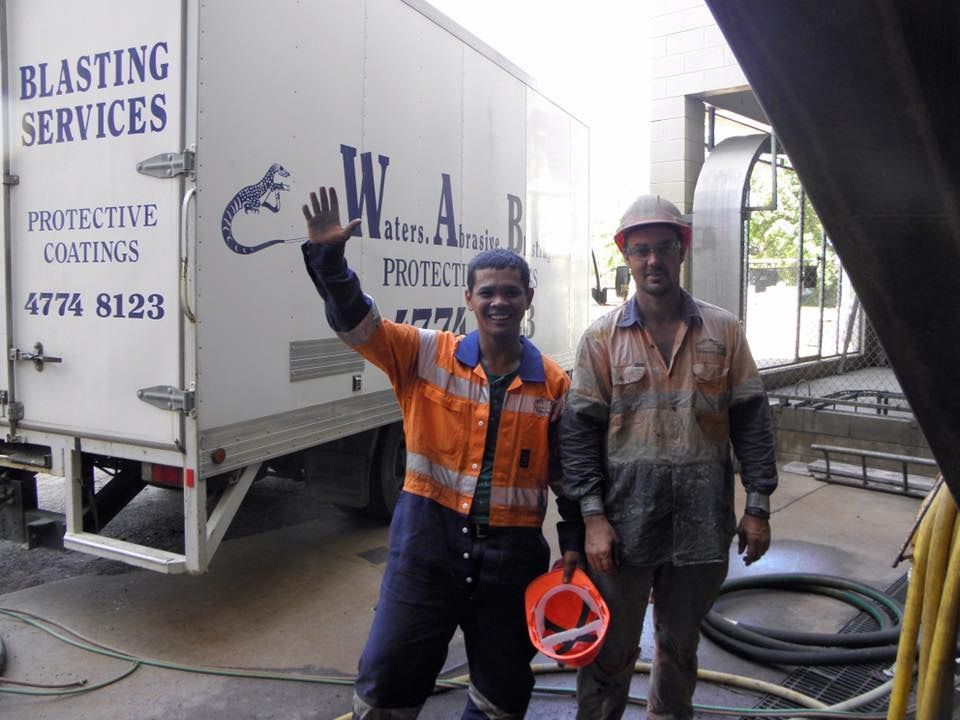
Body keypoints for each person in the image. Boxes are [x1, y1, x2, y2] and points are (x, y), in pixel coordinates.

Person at [300, 187, 582, 720]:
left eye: (511, 291)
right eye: (487, 292)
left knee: (501, 698)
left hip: (511, 561)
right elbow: (359, 323)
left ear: (529, 298)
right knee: (385, 687)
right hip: (424, 552)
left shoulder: (552, 384)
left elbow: (567, 476)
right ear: (468, 299)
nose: (499, 301)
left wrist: (573, 539)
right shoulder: (423, 354)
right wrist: (330, 262)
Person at [558, 195, 778, 720]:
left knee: (679, 650)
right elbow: (579, 436)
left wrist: (758, 505)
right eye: (640, 251)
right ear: (626, 257)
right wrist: (592, 518)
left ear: (681, 250)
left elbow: (751, 420)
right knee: (610, 650)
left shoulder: (724, 331)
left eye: (663, 248)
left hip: (701, 527)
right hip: (623, 531)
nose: (652, 261)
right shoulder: (601, 338)